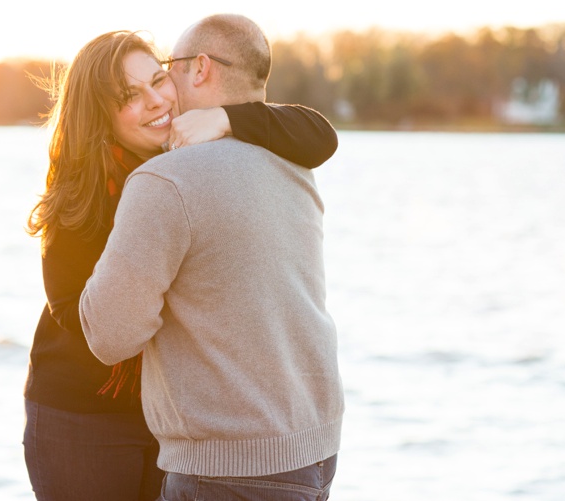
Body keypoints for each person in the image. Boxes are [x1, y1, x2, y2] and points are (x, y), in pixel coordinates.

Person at [24, 29, 338, 501]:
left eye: (158, 80)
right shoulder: (79, 195)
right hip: (84, 415)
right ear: (100, 116)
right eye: (131, 96)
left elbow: (318, 135)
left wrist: (228, 118)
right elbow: (74, 310)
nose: (155, 101)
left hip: (177, 422)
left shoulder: (195, 155)